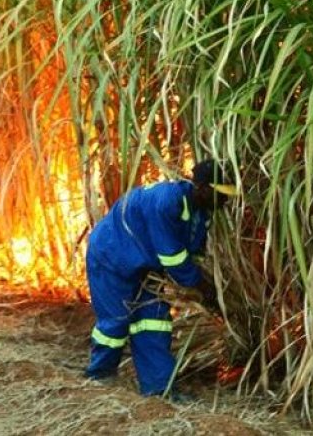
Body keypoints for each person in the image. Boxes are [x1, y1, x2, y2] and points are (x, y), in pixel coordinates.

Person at [83, 159, 237, 400]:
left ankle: (159, 389)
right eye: (222, 194)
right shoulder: (167, 204)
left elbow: (192, 252)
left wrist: (204, 286)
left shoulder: (201, 211)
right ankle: (99, 378)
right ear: (203, 188)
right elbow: (174, 258)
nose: (226, 201)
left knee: (154, 322)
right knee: (116, 322)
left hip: (146, 266)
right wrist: (204, 291)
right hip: (112, 257)